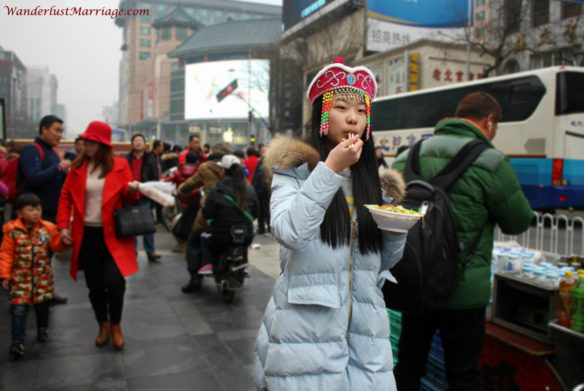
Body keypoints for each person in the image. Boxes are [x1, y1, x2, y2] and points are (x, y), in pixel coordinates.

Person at [253, 58, 408, 390]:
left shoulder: (373, 184)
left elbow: (383, 264)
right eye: (341, 107)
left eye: (361, 110)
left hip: (367, 334)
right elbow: (290, 233)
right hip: (306, 335)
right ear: (323, 115)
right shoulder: (292, 174)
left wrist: (396, 234)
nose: (353, 117)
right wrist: (330, 169)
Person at [391, 91, 534, 391]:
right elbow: (518, 221)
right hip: (464, 291)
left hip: (415, 282)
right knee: (463, 376)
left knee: (407, 368)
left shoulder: (408, 156)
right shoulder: (491, 161)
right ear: (489, 121)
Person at [57, 121, 140, 350]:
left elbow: (128, 197)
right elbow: (65, 198)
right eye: (85, 141)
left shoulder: (120, 165)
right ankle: (102, 324)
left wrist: (132, 192)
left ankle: (116, 324)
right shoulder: (77, 167)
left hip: (113, 235)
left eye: (91, 142)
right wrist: (63, 227)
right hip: (86, 235)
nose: (86, 145)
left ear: (102, 144)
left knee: (115, 283)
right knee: (94, 285)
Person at [0, 193, 68, 358]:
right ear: (20, 213)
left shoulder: (47, 228)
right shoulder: (12, 231)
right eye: (31, 210)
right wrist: (5, 276)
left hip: (42, 278)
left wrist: (64, 242)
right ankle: (17, 342)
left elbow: (56, 246)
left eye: (38, 209)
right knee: (19, 310)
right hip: (19, 279)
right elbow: (6, 255)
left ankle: (43, 329)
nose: (36, 213)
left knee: (42, 307)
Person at [17, 114, 71, 305]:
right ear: (44, 130)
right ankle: (27, 295)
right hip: (34, 214)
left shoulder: (51, 151)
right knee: (32, 257)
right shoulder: (32, 150)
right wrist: (58, 168)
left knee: (46, 257)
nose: (59, 134)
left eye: (61, 131)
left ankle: (44, 291)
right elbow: (33, 178)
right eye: (56, 130)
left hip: (50, 213)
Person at [178, 141, 232, 293]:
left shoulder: (205, 167)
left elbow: (189, 185)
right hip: (233, 213)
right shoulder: (234, 167)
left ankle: (195, 278)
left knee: (193, 241)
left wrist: (182, 190)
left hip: (210, 213)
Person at [200, 154, 258, 271]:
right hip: (246, 235)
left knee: (204, 237)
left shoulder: (217, 189)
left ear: (223, 171)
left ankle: (208, 264)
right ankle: (244, 262)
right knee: (243, 240)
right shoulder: (250, 189)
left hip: (221, 236)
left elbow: (207, 213)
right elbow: (256, 212)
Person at [126, 133, 161, 262]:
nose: (138, 143)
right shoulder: (126, 159)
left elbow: (155, 178)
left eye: (140, 141)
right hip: (130, 195)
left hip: (145, 195)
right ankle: (132, 252)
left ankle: (150, 251)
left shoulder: (150, 158)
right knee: (131, 226)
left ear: (144, 144)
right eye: (135, 141)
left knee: (148, 224)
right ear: (132, 144)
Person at [251, 144, 270, 234]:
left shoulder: (271, 162)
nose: (263, 153)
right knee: (260, 210)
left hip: (267, 190)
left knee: (267, 209)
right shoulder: (259, 163)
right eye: (262, 152)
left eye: (265, 151)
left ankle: (270, 227)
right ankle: (261, 227)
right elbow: (255, 176)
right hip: (259, 190)